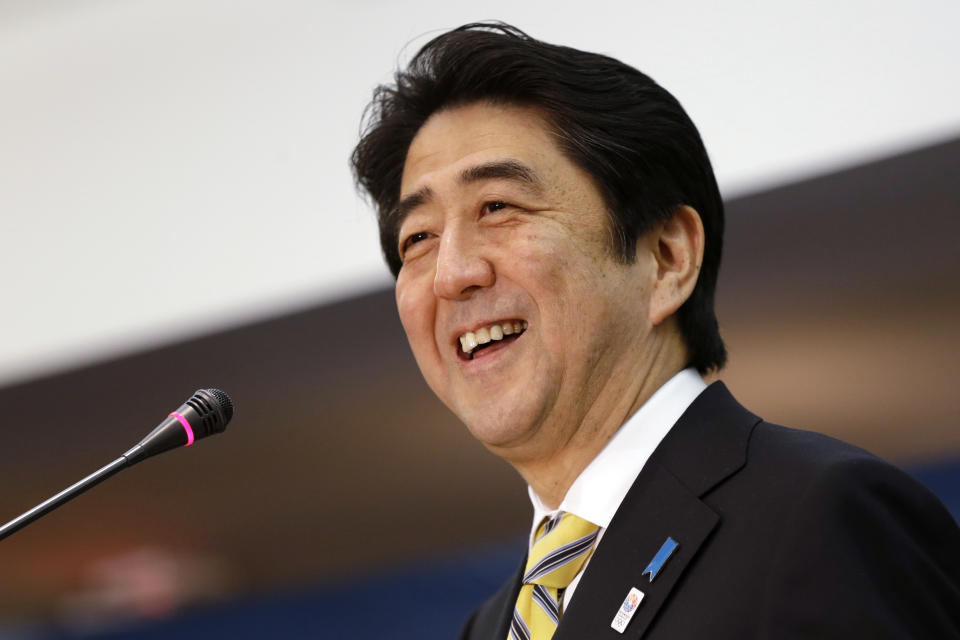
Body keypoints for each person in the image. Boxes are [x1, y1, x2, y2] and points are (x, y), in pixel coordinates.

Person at [350, 22, 960, 639]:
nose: (452, 273)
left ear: (667, 258)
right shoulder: (487, 628)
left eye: (498, 206)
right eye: (418, 238)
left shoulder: (821, 517)